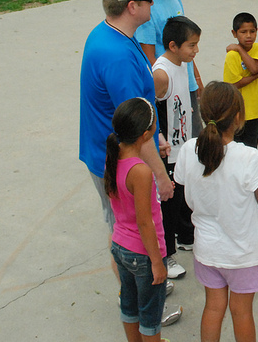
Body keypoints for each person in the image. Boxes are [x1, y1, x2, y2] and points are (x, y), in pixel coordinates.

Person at [79, 0, 181, 326]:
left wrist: (158, 134)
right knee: (130, 237)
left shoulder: (114, 34)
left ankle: (141, 291)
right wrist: (161, 176)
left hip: (120, 152)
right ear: (131, 6)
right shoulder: (118, 56)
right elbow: (135, 128)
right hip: (119, 163)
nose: (154, 3)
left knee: (127, 230)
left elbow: (140, 108)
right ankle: (140, 304)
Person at [174, 82, 258, 342]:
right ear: (238, 117)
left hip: (208, 249)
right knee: (241, 312)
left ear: (202, 113)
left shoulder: (188, 150)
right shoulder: (249, 158)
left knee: (213, 308)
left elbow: (183, 186)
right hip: (244, 252)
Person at [105, 98, 168, 342]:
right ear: (145, 135)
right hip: (143, 253)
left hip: (120, 245)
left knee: (129, 307)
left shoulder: (113, 156)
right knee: (150, 318)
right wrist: (157, 262)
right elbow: (144, 222)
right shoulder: (141, 171)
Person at [137, 0, 205, 141]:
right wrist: (168, 93)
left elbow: (186, 41)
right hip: (171, 92)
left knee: (196, 141)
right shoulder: (147, 5)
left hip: (187, 83)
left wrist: (196, 79)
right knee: (180, 144)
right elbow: (150, 59)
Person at [153, 15, 202, 278]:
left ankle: (185, 236)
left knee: (183, 195)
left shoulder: (182, 64)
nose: (196, 50)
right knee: (168, 204)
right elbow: (150, 110)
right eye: (191, 45)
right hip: (168, 151)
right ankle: (167, 256)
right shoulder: (161, 74)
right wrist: (160, 138)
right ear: (173, 46)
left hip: (183, 147)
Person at [223, 12, 258, 148]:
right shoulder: (232, 56)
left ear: (257, 31)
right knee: (235, 149)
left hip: (255, 111)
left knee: (251, 149)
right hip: (236, 113)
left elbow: (253, 68)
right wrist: (257, 75)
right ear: (234, 33)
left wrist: (239, 49)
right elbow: (233, 85)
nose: (248, 35)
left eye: (252, 31)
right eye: (243, 32)